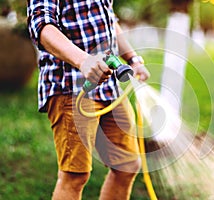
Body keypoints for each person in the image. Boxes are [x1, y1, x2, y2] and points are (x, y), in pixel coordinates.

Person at [27, 0, 150, 199]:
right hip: (71, 86)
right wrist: (83, 61)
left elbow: (108, 17)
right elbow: (41, 24)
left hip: (110, 87)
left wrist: (133, 59)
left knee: (127, 166)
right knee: (75, 175)